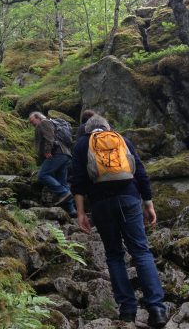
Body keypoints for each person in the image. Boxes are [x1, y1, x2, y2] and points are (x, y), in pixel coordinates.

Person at [71, 114, 167, 327]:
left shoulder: (81, 145)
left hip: (101, 204)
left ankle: (127, 310)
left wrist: (80, 213)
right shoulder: (122, 139)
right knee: (141, 251)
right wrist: (149, 204)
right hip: (129, 199)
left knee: (114, 255)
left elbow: (77, 181)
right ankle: (157, 309)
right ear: (107, 127)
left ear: (88, 130)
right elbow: (140, 172)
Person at [28, 111, 77, 217]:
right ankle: (71, 210)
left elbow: (49, 137)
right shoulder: (51, 123)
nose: (31, 123)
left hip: (56, 154)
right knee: (62, 181)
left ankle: (64, 193)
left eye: (32, 120)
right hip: (65, 155)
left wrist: (47, 151)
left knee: (42, 175)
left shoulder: (43, 123)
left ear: (38, 117)